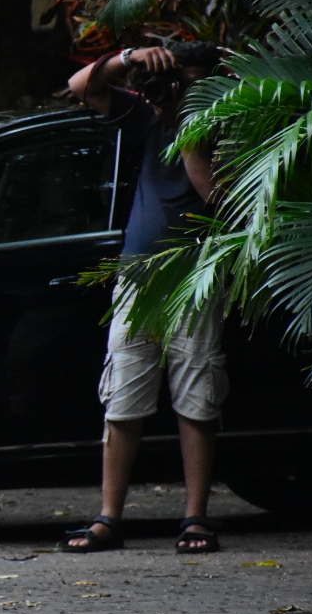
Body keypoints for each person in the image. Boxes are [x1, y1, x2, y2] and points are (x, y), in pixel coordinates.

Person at [64, 42, 225, 555]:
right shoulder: (144, 116)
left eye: (191, 82)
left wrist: (191, 131)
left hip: (195, 276)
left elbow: (218, 199)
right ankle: (109, 518)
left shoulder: (225, 125)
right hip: (138, 279)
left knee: (196, 398)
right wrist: (130, 58)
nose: (179, 90)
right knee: (123, 399)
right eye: (176, 79)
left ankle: (195, 517)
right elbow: (81, 86)